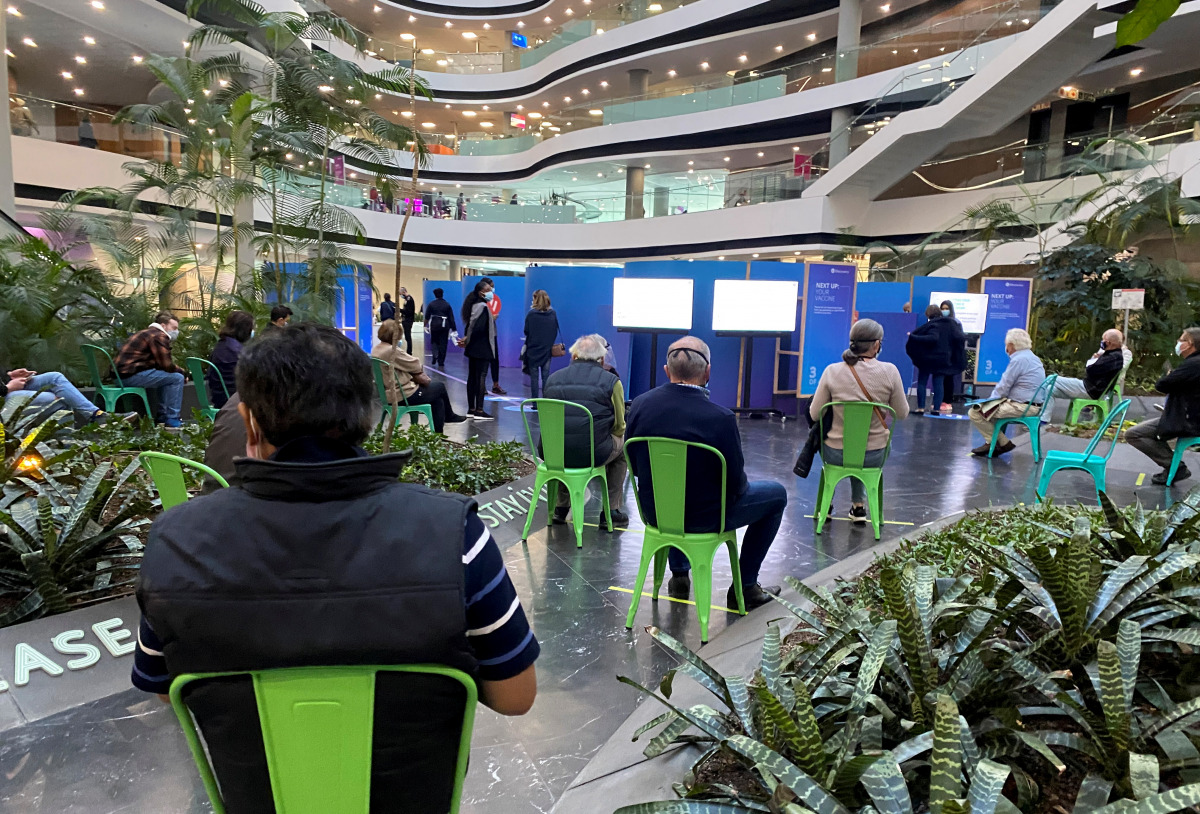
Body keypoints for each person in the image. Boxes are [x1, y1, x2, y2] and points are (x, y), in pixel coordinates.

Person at [132, 324, 539, 813]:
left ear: (249, 421)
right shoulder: (456, 535)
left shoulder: (175, 541)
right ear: (368, 414)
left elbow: (164, 688)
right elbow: (516, 696)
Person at [625, 337, 786, 610]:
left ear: (667, 370)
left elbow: (637, 468)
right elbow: (736, 484)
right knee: (777, 495)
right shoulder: (720, 418)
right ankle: (745, 587)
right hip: (707, 518)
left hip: (656, 513)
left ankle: (679, 575)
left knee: (672, 493)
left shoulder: (640, 405)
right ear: (708, 372)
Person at [810, 319, 909, 523]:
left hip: (834, 453)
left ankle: (826, 506)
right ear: (876, 344)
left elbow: (814, 414)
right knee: (862, 446)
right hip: (874, 455)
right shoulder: (890, 371)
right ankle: (858, 506)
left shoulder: (832, 371)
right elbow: (902, 414)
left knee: (850, 445)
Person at [542, 334, 628, 525]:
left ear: (573, 356)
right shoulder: (612, 381)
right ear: (602, 359)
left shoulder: (553, 379)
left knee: (564, 442)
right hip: (593, 454)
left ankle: (561, 507)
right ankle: (611, 511)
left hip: (552, 453)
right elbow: (620, 426)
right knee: (622, 449)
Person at [1127, 327, 1200, 484]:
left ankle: (1175, 467)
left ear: (1190, 344)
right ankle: (1173, 467)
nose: (1178, 343)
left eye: (1181, 340)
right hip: (1188, 415)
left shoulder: (1193, 364)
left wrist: (1170, 377)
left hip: (1188, 420)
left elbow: (1162, 385)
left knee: (1134, 434)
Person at [373, 320, 467, 433]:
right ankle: (448, 418)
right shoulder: (392, 351)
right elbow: (415, 364)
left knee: (438, 399)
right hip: (402, 395)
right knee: (440, 387)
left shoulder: (377, 349)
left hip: (387, 395)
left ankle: (440, 431)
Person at [967, 328, 1046, 457]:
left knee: (975, 413)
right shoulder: (1032, 357)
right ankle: (994, 443)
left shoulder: (1018, 360)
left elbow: (1004, 385)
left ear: (1010, 345)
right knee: (988, 412)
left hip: (1022, 407)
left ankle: (1001, 443)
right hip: (1033, 404)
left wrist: (989, 401)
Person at [115, 311, 186, 428]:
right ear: (163, 326)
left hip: (121, 376)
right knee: (177, 378)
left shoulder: (146, 333)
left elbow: (161, 366)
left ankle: (163, 416)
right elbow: (166, 364)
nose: (176, 332)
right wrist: (183, 372)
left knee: (167, 376)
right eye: (174, 328)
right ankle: (172, 418)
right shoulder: (158, 336)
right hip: (129, 376)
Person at [1046, 328, 1131, 420]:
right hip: (1088, 386)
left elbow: (1090, 370)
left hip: (1089, 389)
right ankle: (1043, 419)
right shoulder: (1110, 354)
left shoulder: (1113, 357)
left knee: (1051, 378)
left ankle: (1033, 403)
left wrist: (1095, 360)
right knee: (1050, 389)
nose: (1102, 342)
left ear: (1109, 343)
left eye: (1103, 340)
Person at [3, 366, 136, 424]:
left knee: (55, 377)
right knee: (61, 400)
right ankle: (66, 446)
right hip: (4, 396)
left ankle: (95, 414)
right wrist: (7, 388)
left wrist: (10, 376)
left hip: (6, 387)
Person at [905, 304, 966, 415]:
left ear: (928, 314)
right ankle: (936, 409)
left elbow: (932, 338)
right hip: (943, 359)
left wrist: (913, 337)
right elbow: (960, 338)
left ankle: (921, 408)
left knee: (922, 382)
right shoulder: (951, 324)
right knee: (938, 384)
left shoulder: (933, 325)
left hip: (927, 360)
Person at [461, 279, 497, 420]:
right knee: (481, 376)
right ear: (482, 292)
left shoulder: (473, 306)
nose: (491, 292)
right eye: (489, 290)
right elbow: (480, 328)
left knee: (472, 377)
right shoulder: (482, 307)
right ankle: (480, 410)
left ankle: (471, 408)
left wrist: (467, 339)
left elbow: (470, 326)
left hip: (472, 348)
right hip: (482, 347)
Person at [207, 310, 253, 410]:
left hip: (219, 396)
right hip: (234, 399)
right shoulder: (236, 350)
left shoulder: (221, 344)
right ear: (245, 329)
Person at [524, 290, 560, 399]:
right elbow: (555, 330)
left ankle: (535, 402)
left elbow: (526, 331)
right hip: (547, 349)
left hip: (533, 350)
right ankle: (545, 401)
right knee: (546, 377)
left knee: (534, 378)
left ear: (535, 299)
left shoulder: (531, 314)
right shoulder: (552, 313)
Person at [938, 300, 967, 411]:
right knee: (941, 379)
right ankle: (940, 401)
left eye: (946, 308)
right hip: (941, 354)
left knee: (949, 378)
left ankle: (948, 401)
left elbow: (959, 338)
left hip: (951, 354)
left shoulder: (956, 322)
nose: (944, 311)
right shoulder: (939, 321)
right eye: (942, 308)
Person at [425, 288, 457, 369]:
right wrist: (454, 329)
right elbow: (451, 318)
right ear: (442, 294)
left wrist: (424, 325)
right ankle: (441, 361)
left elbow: (427, 316)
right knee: (443, 343)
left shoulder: (431, 304)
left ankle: (435, 354)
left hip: (434, 325)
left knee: (434, 341)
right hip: (444, 326)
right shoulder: (447, 304)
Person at [399, 287, 416, 354]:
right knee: (406, 336)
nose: (401, 295)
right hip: (405, 320)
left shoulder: (409, 299)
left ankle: (409, 351)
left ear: (404, 292)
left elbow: (408, 311)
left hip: (408, 320)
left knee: (408, 336)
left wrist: (399, 310)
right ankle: (409, 351)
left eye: (401, 294)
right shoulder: (406, 299)